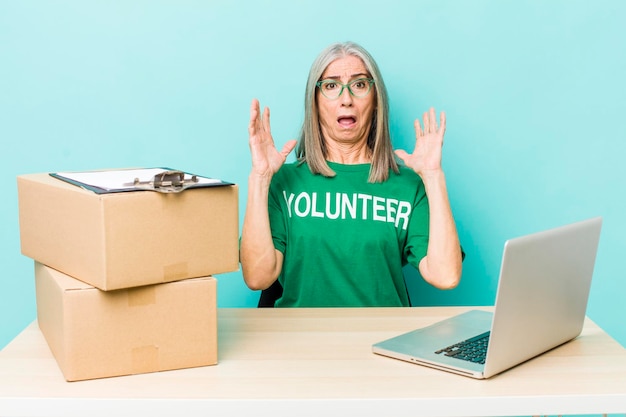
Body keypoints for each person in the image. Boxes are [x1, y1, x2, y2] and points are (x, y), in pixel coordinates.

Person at [240, 41, 463, 307]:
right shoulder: (283, 183)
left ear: (376, 99)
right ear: (315, 102)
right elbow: (257, 277)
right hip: (299, 342)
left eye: (359, 85)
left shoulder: (408, 185)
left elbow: (446, 275)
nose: (346, 99)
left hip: (381, 342)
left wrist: (434, 177)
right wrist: (261, 178)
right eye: (331, 86)